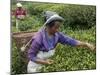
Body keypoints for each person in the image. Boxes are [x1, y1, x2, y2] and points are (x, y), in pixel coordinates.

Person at [27, 11, 95, 73]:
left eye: (59, 27)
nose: (58, 30)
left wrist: (86, 44)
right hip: (34, 67)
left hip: (46, 64)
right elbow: (31, 56)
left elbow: (71, 41)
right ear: (48, 26)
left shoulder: (57, 35)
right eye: (56, 27)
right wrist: (44, 62)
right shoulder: (38, 39)